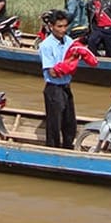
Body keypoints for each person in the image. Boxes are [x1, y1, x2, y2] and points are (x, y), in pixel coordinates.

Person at [39, 10, 77, 148]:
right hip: (53, 89)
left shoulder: (69, 41)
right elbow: (52, 73)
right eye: (59, 26)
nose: (63, 30)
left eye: (65, 26)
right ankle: (52, 150)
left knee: (70, 123)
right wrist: (69, 66)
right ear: (51, 27)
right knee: (54, 125)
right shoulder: (46, 46)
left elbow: (75, 58)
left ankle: (68, 148)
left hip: (66, 86)